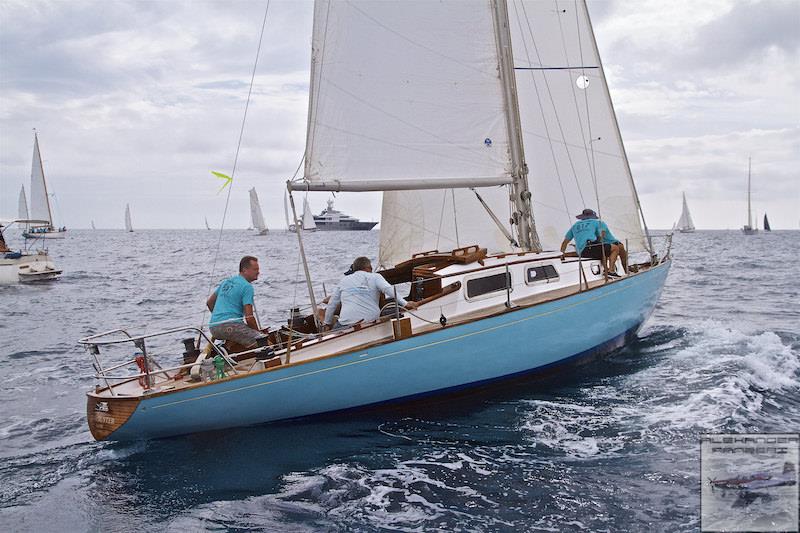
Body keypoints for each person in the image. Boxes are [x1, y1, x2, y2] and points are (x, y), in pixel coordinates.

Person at [323, 256, 417, 330]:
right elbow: (388, 289)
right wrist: (406, 303)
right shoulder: (375, 277)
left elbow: (332, 303)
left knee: (331, 332)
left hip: (345, 323)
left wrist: (327, 323)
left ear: (355, 269)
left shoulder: (344, 280)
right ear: (369, 268)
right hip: (369, 321)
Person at [206, 255, 267, 348]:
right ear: (245, 270)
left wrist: (219, 319)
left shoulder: (226, 282)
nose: (258, 272)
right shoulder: (247, 287)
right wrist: (259, 334)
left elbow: (209, 303)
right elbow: (249, 318)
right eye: (255, 269)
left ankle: (227, 348)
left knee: (240, 333)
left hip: (214, 328)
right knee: (265, 344)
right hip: (231, 327)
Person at [559, 208, 623, 277]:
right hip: (591, 247)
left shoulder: (574, 226)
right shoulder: (596, 222)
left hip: (582, 252)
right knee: (615, 248)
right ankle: (611, 271)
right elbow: (601, 235)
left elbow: (565, 242)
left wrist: (562, 253)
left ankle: (606, 269)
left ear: (582, 217)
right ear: (593, 216)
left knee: (602, 249)